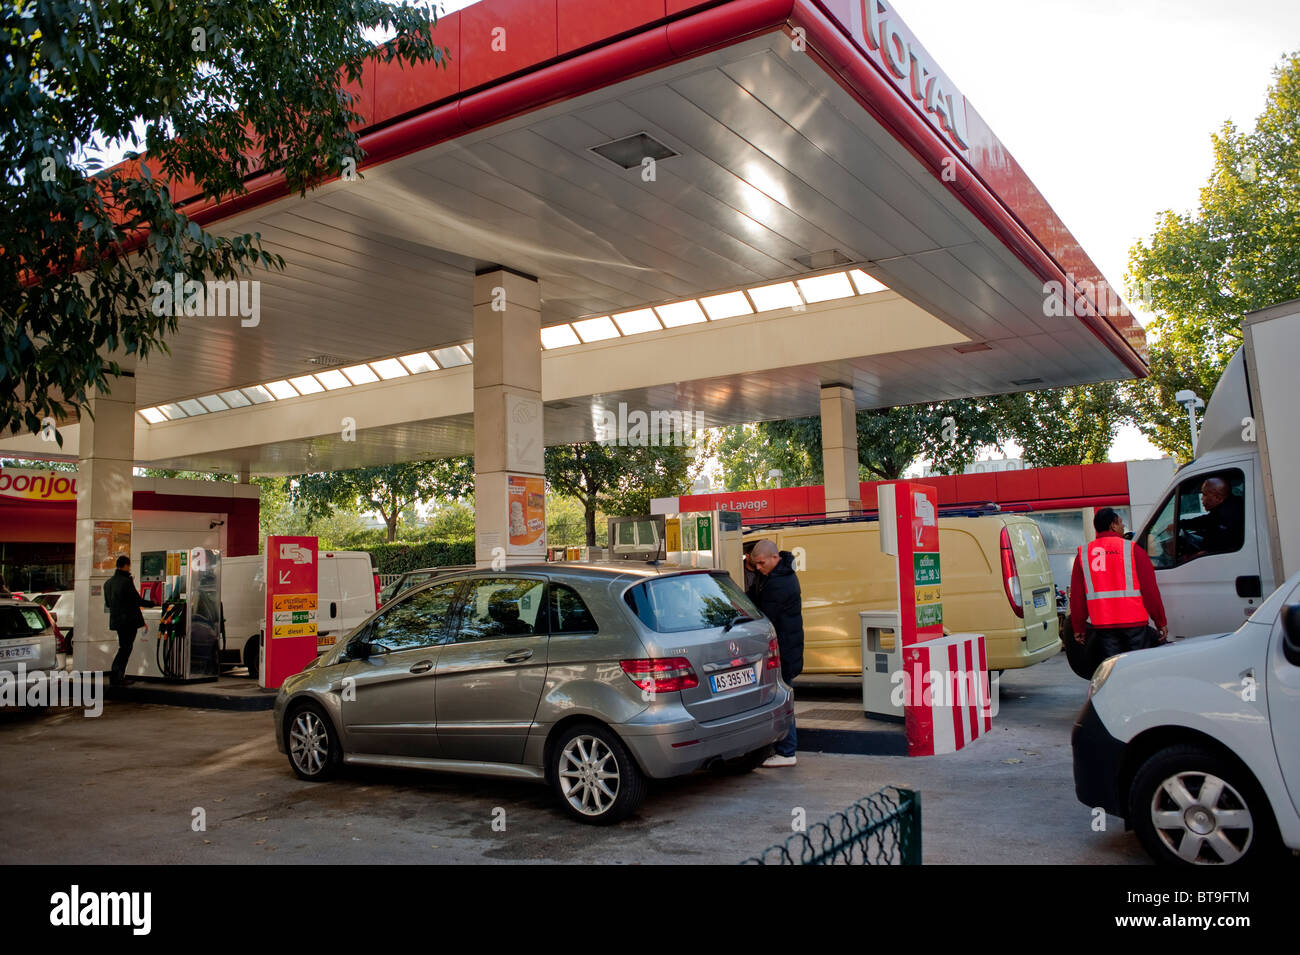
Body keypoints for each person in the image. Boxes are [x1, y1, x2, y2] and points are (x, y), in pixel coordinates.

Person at [1071, 508, 1168, 660]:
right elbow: (1150, 590)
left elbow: (1077, 596)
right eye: (1121, 523)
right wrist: (1160, 620)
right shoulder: (1133, 550)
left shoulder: (1084, 554)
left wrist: (1079, 626)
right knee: (1138, 665)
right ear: (1113, 525)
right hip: (1135, 623)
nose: (1124, 527)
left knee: (1113, 668)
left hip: (1103, 625)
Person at [747, 538, 804, 767]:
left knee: (782, 700)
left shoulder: (779, 584)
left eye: (761, 563)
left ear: (774, 558)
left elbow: (762, 615)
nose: (759, 568)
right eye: (756, 565)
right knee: (781, 697)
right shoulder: (778, 575)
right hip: (787, 649)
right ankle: (783, 748)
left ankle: (787, 751)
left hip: (783, 653)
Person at [103, 555, 156, 686]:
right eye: (129, 566)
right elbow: (137, 600)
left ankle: (117, 676)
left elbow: (108, 604)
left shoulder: (108, 583)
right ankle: (117, 676)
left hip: (117, 621)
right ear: (126, 565)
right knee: (125, 649)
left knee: (123, 647)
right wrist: (152, 603)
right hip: (128, 621)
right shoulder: (126, 581)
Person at [1184, 476, 1245, 556]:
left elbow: (1227, 543)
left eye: (1204, 494)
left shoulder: (1228, 514)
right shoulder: (1224, 508)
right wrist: (1180, 524)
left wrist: (1207, 552)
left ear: (1218, 498)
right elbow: (1205, 521)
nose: (1202, 499)